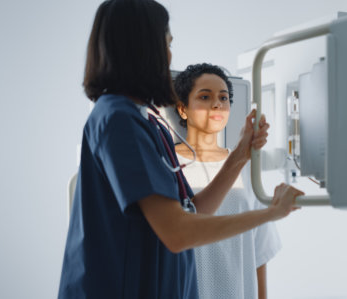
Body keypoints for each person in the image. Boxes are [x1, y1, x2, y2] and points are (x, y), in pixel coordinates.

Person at [58, 1, 302, 298]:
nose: (170, 54)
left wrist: (239, 154)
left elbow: (194, 210)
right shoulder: (118, 119)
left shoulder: (149, 122)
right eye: (166, 43)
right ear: (142, 46)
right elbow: (177, 232)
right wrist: (273, 212)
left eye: (223, 98)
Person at [173, 63, 279, 299]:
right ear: (182, 109)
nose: (217, 104)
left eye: (223, 97)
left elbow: (258, 252)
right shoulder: (168, 165)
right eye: (205, 96)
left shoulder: (247, 167)